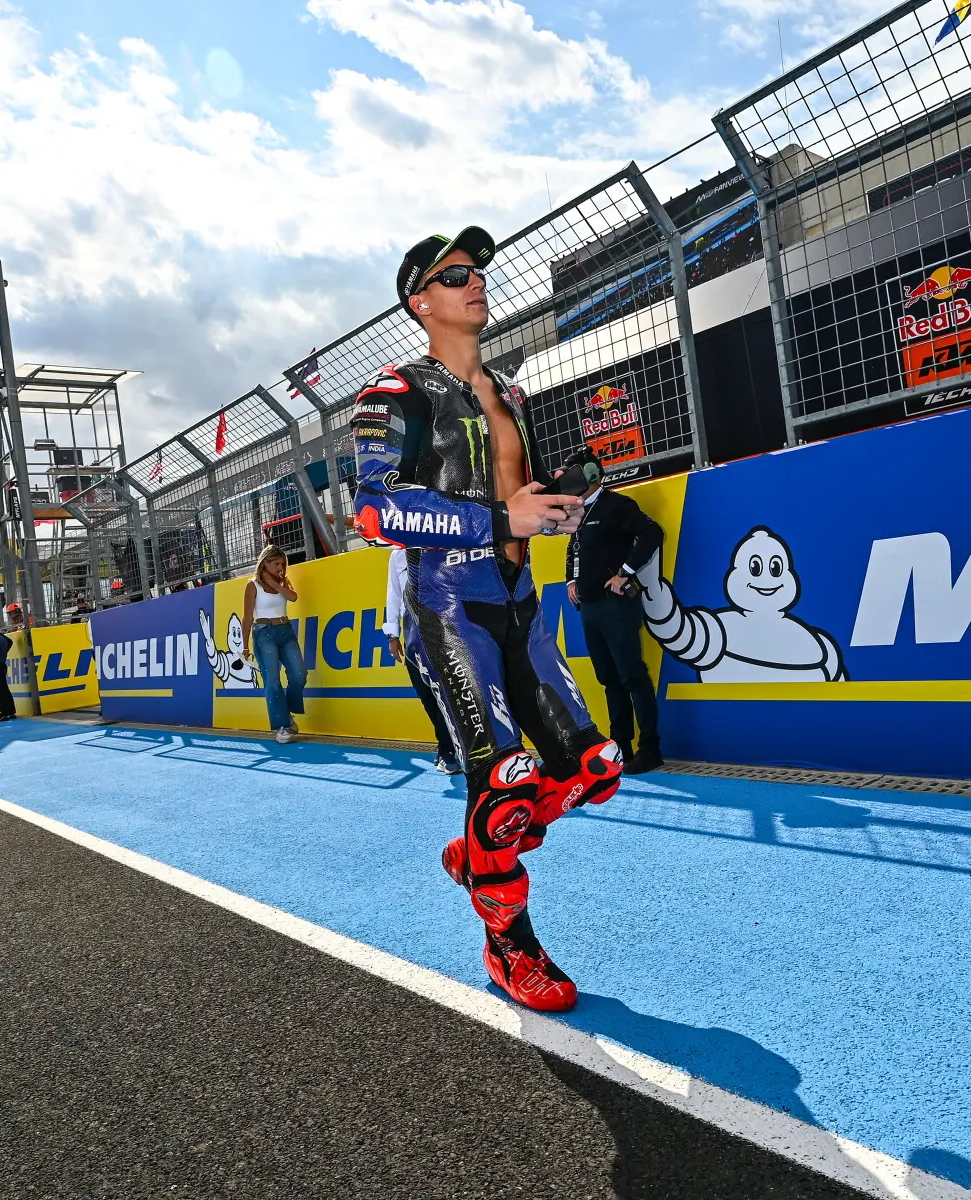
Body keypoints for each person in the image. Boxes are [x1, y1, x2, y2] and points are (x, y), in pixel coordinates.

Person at [352, 226, 622, 1012]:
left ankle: (477, 853)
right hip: (449, 606)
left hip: (522, 603)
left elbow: (519, 501)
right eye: (454, 275)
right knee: (505, 783)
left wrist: (556, 505)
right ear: (419, 301)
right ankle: (510, 949)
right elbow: (373, 511)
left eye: (477, 271)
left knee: (596, 767)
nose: (475, 281)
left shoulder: (512, 390)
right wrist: (500, 518)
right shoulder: (391, 393)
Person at [562, 446, 666, 773]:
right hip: (590, 608)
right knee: (609, 679)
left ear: (590, 474)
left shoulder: (617, 505)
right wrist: (571, 580)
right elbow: (574, 549)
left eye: (572, 474)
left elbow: (652, 533)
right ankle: (620, 746)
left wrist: (624, 574)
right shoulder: (578, 513)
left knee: (631, 676)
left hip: (616, 606)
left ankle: (650, 750)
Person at [382, 546, 459, 774]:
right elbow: (393, 594)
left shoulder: (440, 545)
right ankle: (445, 743)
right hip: (412, 628)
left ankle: (448, 749)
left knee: (445, 689)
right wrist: (392, 635)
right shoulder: (397, 555)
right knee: (425, 690)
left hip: (443, 623)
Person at [245, 544, 305, 743]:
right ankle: (282, 726)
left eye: (282, 564)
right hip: (264, 633)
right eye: (276, 564)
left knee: (299, 674)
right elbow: (247, 617)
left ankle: (286, 712)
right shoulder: (252, 585)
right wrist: (244, 647)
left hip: (286, 631)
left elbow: (293, 597)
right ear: (265, 563)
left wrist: (277, 584)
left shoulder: (283, 581)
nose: (280, 567)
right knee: (272, 680)